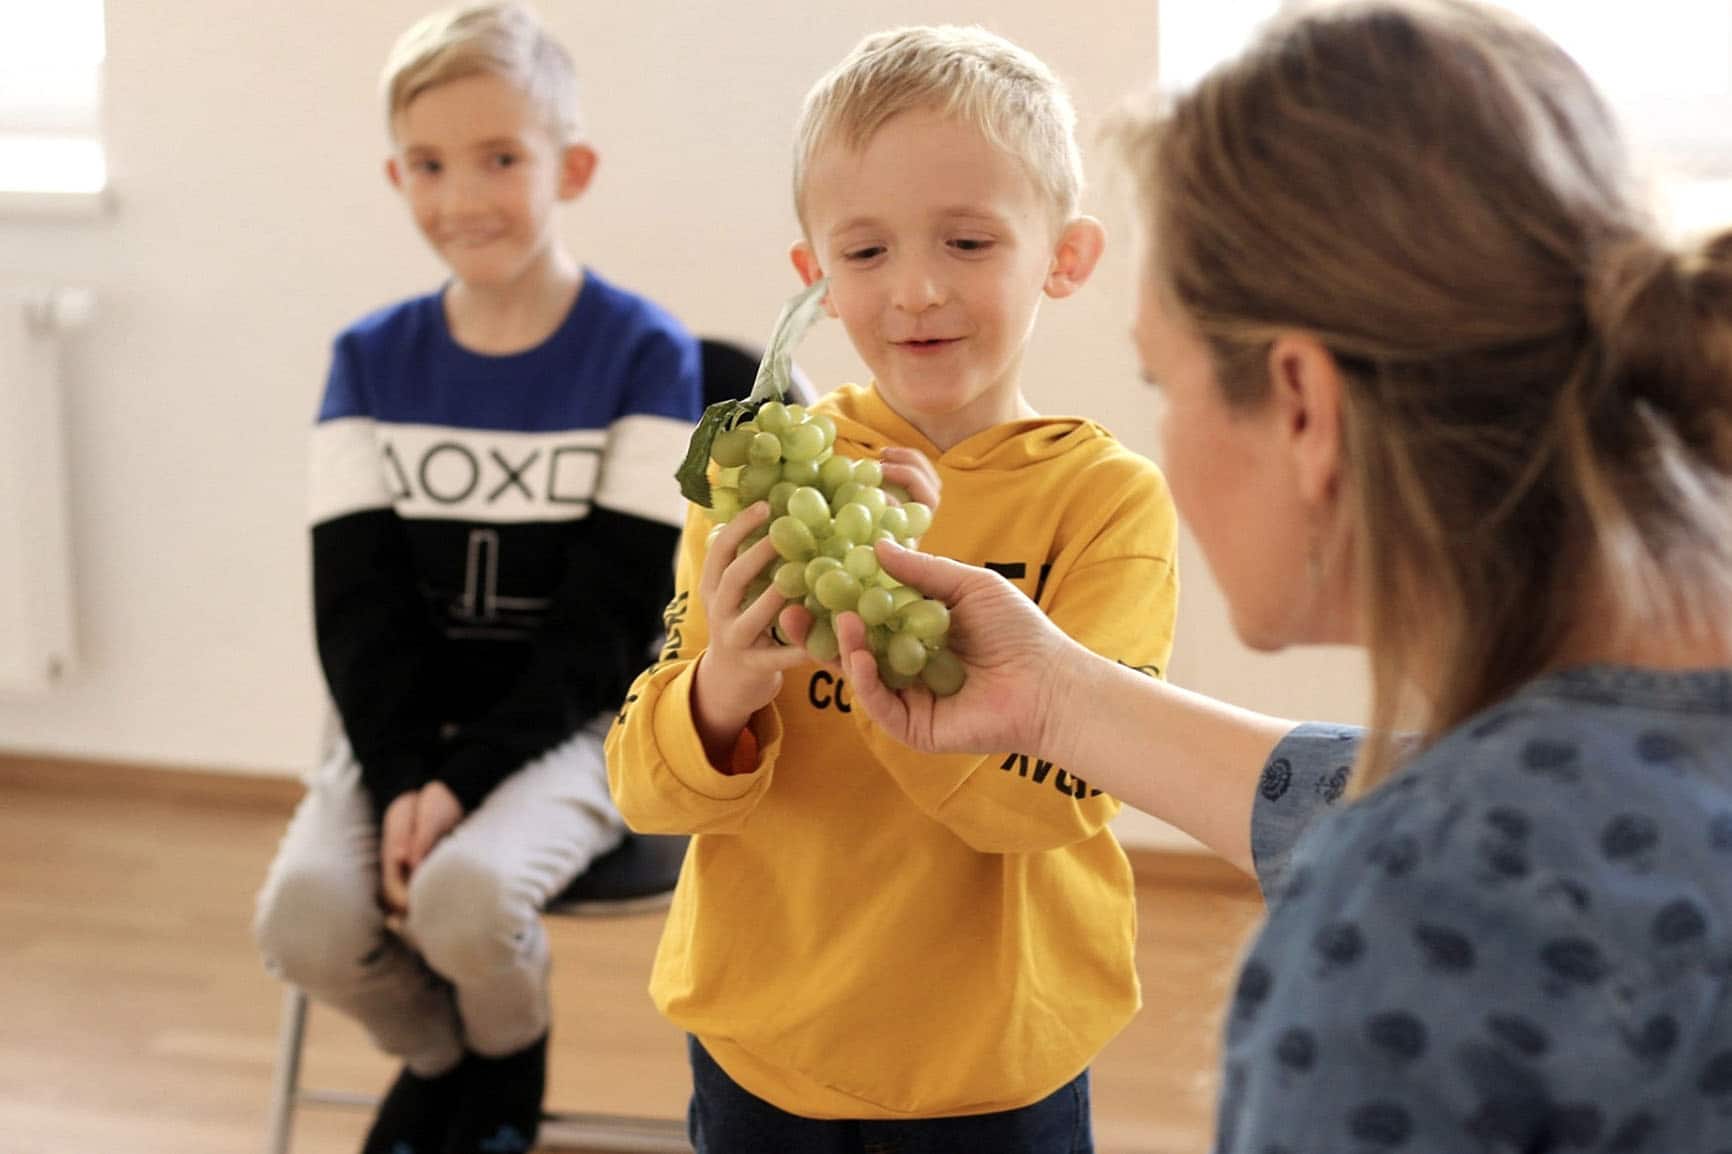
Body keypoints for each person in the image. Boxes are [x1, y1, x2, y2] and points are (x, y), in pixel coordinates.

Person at [833, 1, 1732, 1149]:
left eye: (1163, 382)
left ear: (1302, 405)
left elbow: (1452, 841)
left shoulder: (1416, 902)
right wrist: (1055, 693)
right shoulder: (1603, 781)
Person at [605, 25, 1181, 1153]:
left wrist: (867, 593)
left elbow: (1057, 793)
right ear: (812, 278)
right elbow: (645, 782)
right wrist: (723, 682)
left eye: (968, 241)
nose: (915, 290)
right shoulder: (759, 473)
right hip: (757, 1041)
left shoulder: (1106, 502)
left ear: (1063, 256)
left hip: (991, 1064)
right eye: (863, 254)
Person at [252, 5, 702, 1152]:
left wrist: (457, 788)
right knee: (304, 919)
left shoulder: (644, 354)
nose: (463, 197)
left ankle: (506, 1069)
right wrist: (406, 772)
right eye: (430, 165)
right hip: (395, 730)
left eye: (502, 158)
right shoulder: (368, 357)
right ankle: (453, 1060)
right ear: (396, 173)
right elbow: (358, 609)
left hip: (575, 727)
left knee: (461, 900)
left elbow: (610, 627)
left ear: (572, 167)